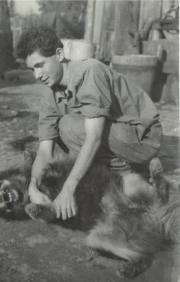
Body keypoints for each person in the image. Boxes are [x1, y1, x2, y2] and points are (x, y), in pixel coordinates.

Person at [16, 26, 162, 221]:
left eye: (40, 65)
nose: (36, 75)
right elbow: (44, 150)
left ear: (59, 54)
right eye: (32, 69)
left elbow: (93, 138)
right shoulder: (50, 97)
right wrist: (33, 186)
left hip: (142, 137)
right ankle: (116, 170)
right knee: (62, 135)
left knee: (69, 126)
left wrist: (68, 189)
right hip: (115, 137)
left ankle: (129, 177)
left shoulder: (89, 71)